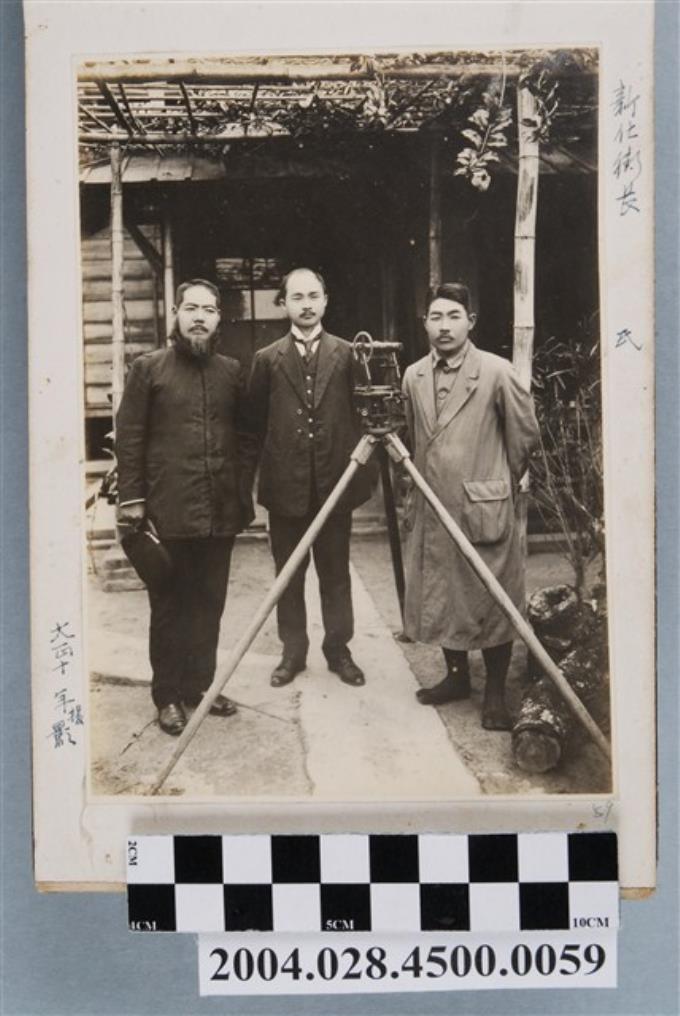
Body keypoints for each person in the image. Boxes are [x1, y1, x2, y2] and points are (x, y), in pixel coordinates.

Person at [115, 279, 254, 736]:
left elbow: (245, 439)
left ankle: (200, 687)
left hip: (219, 513)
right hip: (167, 513)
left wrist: (240, 492)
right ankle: (167, 696)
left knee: (209, 604)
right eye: (191, 308)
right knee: (170, 606)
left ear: (218, 318)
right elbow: (129, 438)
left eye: (208, 310)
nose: (199, 317)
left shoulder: (231, 371)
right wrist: (133, 499)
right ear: (176, 313)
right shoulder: (148, 369)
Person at [402, 282, 540, 730]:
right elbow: (413, 437)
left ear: (471, 321)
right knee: (443, 595)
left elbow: (524, 438)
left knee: (492, 598)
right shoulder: (413, 376)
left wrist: (494, 484)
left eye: (454, 316)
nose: (444, 326)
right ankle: (456, 678)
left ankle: (495, 693)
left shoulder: (497, 372)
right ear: (425, 323)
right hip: (434, 506)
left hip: (483, 507)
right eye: (436, 317)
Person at [247, 267, 373, 688]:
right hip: (285, 490)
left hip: (333, 488)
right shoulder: (267, 359)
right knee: (289, 575)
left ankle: (338, 650)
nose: (306, 305)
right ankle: (293, 651)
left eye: (313, 296)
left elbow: (364, 418)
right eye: (297, 297)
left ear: (325, 300)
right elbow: (253, 426)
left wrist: (357, 481)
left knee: (335, 575)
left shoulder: (348, 354)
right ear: (283, 303)